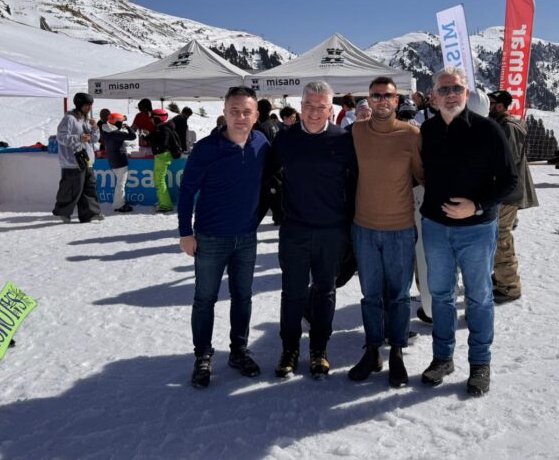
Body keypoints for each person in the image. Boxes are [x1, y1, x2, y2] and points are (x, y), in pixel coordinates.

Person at [419, 67, 517, 397]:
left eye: (456, 89)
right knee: (441, 296)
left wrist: (474, 206)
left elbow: (509, 181)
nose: (450, 95)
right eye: (444, 89)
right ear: (433, 96)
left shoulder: (488, 130)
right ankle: (443, 358)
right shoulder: (428, 131)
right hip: (435, 228)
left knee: (479, 296)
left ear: (466, 94)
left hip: (476, 229)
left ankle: (479, 364)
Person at [178, 86, 270, 389]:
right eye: (235, 111)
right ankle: (202, 356)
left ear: (256, 115)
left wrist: (254, 222)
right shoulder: (206, 148)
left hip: (245, 238)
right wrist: (185, 233)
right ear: (225, 113)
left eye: (246, 111)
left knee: (243, 297)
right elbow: (187, 192)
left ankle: (239, 351)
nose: (241, 117)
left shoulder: (261, 143)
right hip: (210, 238)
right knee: (204, 299)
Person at [269, 81, 357, 379]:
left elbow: (356, 184)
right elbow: (268, 179)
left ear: (331, 110)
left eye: (322, 106)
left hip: (332, 232)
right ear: (300, 107)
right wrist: (279, 211)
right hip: (295, 230)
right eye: (309, 105)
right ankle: (289, 349)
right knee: (292, 293)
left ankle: (319, 348)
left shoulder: (345, 140)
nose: (315, 112)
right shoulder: (285, 140)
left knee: (325, 291)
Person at [347, 77, 423, 388]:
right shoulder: (357, 132)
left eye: (388, 96)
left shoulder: (411, 134)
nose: (382, 101)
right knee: (370, 296)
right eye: (376, 95)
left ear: (397, 100)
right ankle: (373, 349)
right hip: (364, 228)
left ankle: (397, 353)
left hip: (400, 229)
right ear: (369, 99)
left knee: (400, 296)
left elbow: (421, 176)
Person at [487, 90, 538, 305]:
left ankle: (509, 286)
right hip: (504, 191)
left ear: (499, 106)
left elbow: (507, 161)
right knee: (496, 235)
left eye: (491, 103)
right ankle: (501, 278)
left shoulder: (508, 126)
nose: (487, 106)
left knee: (501, 237)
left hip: (508, 193)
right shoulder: (501, 124)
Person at [52, 93, 103, 224]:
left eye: (90, 105)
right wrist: (78, 138)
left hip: (86, 159)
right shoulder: (69, 119)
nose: (89, 108)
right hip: (73, 161)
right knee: (71, 188)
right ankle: (64, 213)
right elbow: (61, 137)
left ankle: (90, 214)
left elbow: (95, 139)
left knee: (89, 188)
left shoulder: (85, 120)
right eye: (86, 105)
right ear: (79, 104)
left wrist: (95, 128)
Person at [102, 112, 137, 213]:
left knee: (119, 184)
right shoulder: (116, 133)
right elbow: (132, 136)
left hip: (113, 160)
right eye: (121, 122)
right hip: (120, 161)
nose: (122, 123)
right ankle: (119, 205)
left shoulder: (107, 132)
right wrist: (128, 127)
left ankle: (119, 203)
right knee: (120, 184)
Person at [149, 109, 181, 213]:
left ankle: (166, 205)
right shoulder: (163, 128)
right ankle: (162, 202)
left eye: (152, 118)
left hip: (162, 156)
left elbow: (163, 144)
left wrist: (152, 140)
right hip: (162, 156)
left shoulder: (163, 129)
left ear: (157, 118)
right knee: (158, 179)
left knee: (159, 181)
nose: (151, 120)